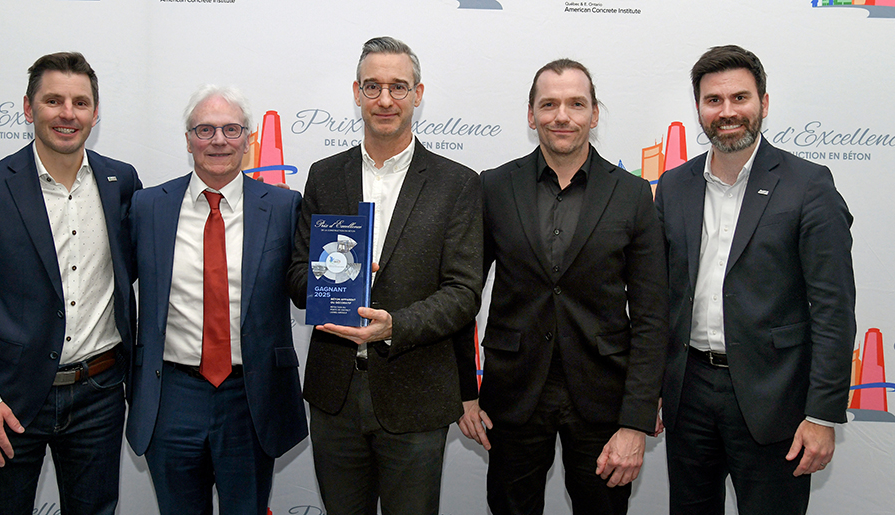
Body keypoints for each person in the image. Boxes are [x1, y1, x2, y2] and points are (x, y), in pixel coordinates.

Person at [0, 52, 141, 515]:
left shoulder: (121, 181)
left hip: (100, 393)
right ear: (28, 108)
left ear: (95, 113)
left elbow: (144, 261)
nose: (68, 113)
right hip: (8, 399)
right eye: (53, 100)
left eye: (80, 102)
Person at [457, 58, 668, 515]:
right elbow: (462, 293)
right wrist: (464, 391)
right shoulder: (494, 186)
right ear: (531, 115)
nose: (562, 116)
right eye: (549, 104)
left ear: (595, 114)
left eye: (576, 104)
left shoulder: (633, 194)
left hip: (603, 397)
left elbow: (652, 315)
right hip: (513, 394)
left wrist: (636, 420)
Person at [655, 45, 856, 515]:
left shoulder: (809, 185)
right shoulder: (674, 185)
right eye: (713, 100)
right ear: (699, 109)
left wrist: (822, 414)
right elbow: (660, 299)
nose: (727, 111)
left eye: (739, 98)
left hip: (775, 400)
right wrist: (650, 390)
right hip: (688, 394)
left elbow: (833, 309)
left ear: (763, 103)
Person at [287, 36, 483, 515]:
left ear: (418, 95)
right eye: (372, 87)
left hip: (416, 394)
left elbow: (463, 293)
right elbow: (295, 276)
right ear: (356, 93)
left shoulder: (457, 182)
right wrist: (331, 277)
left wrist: (396, 326)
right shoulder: (324, 175)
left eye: (398, 87)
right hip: (335, 394)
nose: (385, 99)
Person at [124, 85, 307, 515]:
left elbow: (306, 283)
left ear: (248, 139)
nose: (219, 140)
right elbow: (105, 275)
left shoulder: (284, 207)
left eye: (231, 129)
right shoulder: (148, 206)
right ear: (188, 140)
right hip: (171, 393)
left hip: (252, 395)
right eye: (205, 130)